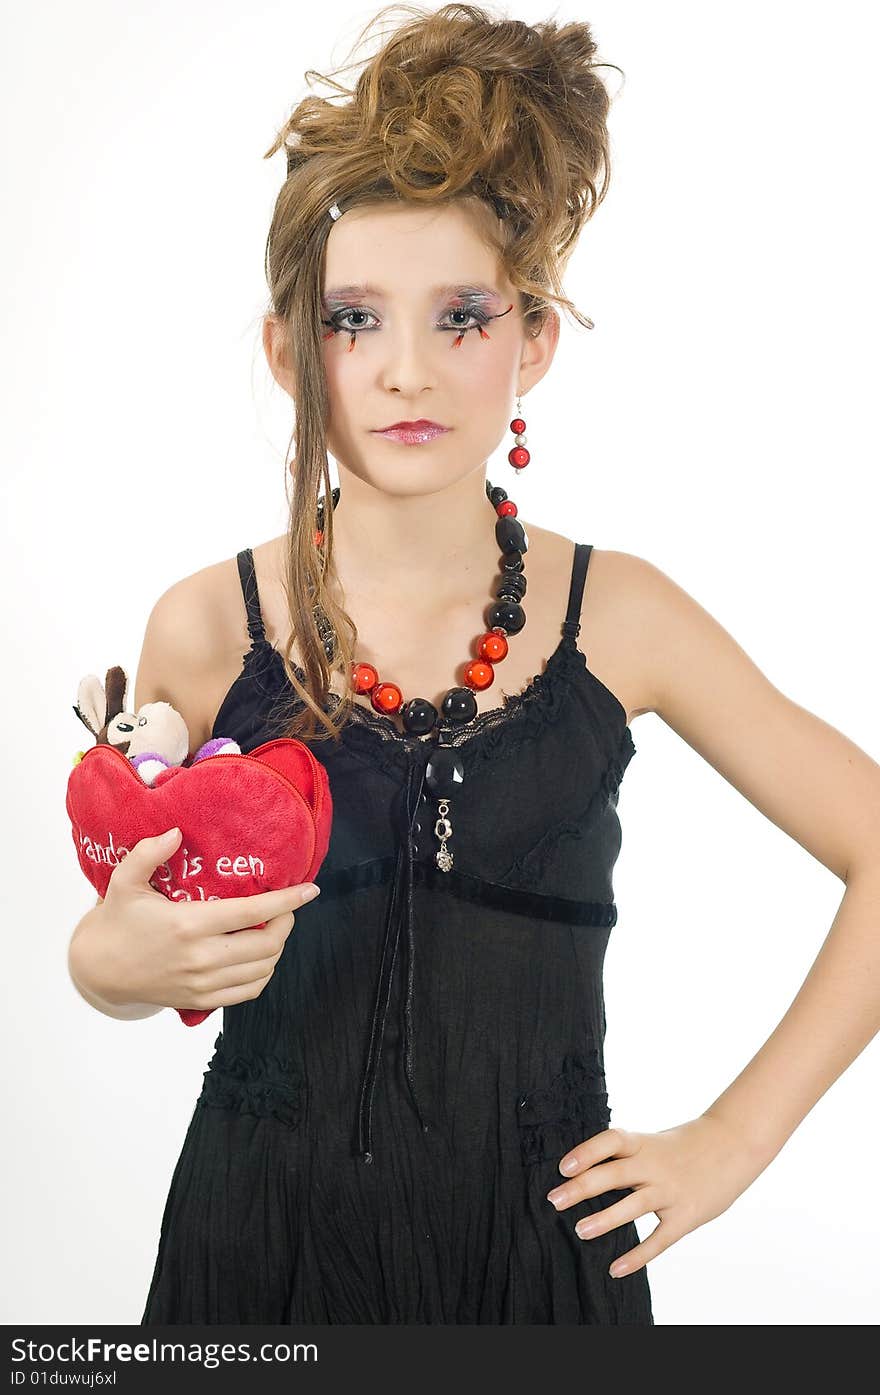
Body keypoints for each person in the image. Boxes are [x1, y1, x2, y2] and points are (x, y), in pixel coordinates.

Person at [67, 4, 880, 1326]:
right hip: (257, 1256)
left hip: (543, 1268)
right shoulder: (203, 631)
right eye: (353, 318)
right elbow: (127, 928)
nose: (406, 372)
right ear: (289, 353)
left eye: (459, 317)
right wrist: (101, 969)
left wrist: (732, 1143)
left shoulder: (625, 618)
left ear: (534, 341)